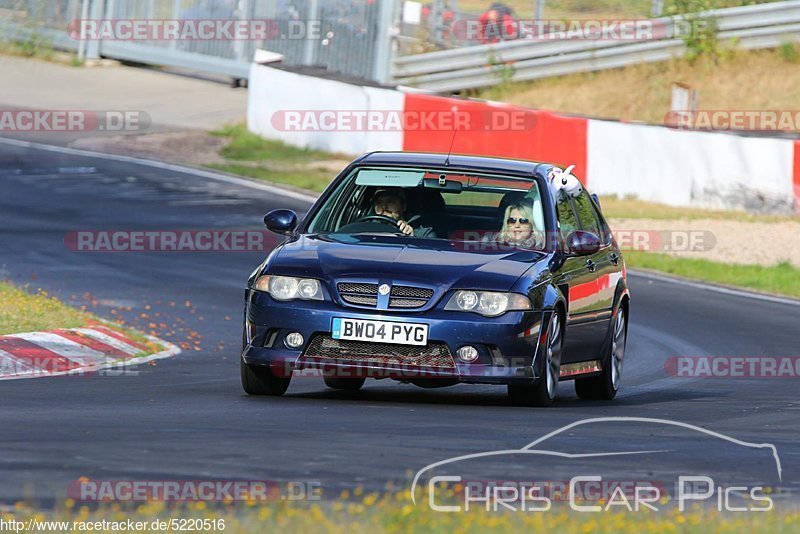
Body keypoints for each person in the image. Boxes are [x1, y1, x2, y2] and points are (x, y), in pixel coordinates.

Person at [370, 189, 436, 237]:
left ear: (404, 206)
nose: (384, 206)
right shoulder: (365, 228)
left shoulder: (423, 234)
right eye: (379, 203)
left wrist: (412, 237)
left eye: (390, 201)